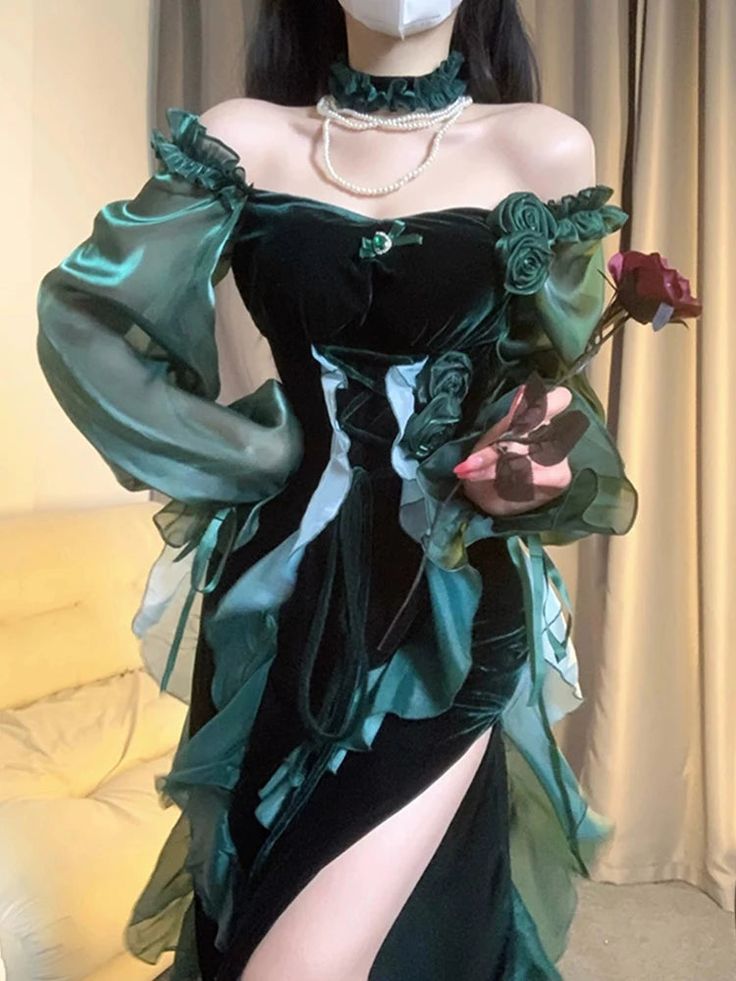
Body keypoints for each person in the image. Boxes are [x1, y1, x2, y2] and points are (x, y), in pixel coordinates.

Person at [36, 1, 639, 978]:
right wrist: (249, 450)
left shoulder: (541, 147)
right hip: (273, 602)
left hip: (441, 611)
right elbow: (88, 323)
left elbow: (548, 388)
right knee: (265, 922)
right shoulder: (244, 138)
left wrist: (527, 466)